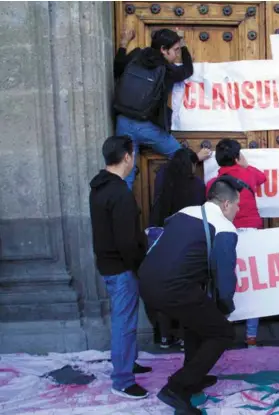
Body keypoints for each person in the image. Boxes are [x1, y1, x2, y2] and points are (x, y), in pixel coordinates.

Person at [138, 176, 243, 414]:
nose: (238, 210)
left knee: (195, 321)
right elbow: (225, 280)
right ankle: (178, 387)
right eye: (237, 205)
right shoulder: (225, 228)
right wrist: (225, 308)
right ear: (226, 204)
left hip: (146, 280)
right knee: (222, 332)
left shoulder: (185, 212)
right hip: (173, 288)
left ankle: (193, 375)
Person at [89, 135, 151, 400]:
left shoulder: (99, 187)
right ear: (127, 156)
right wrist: (139, 264)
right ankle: (123, 380)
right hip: (122, 268)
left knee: (123, 319)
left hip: (108, 264)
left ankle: (128, 362)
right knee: (124, 323)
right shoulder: (120, 193)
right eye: (133, 155)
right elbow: (126, 241)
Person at [114, 27, 210, 189]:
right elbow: (187, 70)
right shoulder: (166, 70)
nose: (177, 54)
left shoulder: (137, 55)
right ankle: (196, 157)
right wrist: (185, 44)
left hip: (122, 123)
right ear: (163, 50)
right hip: (147, 127)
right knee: (180, 155)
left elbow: (117, 68)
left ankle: (122, 213)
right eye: (176, 50)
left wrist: (124, 43)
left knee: (126, 177)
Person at [206, 138, 267, 348]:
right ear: (237, 157)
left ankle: (223, 332)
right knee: (254, 283)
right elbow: (263, 177)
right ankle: (251, 336)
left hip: (226, 235)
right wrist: (246, 165)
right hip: (252, 232)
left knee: (224, 281)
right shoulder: (249, 174)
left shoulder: (213, 184)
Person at [148, 148, 207, 350]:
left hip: (164, 241)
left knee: (166, 289)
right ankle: (185, 337)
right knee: (187, 289)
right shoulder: (197, 186)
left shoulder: (163, 180)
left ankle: (165, 336)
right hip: (188, 243)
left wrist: (192, 157)